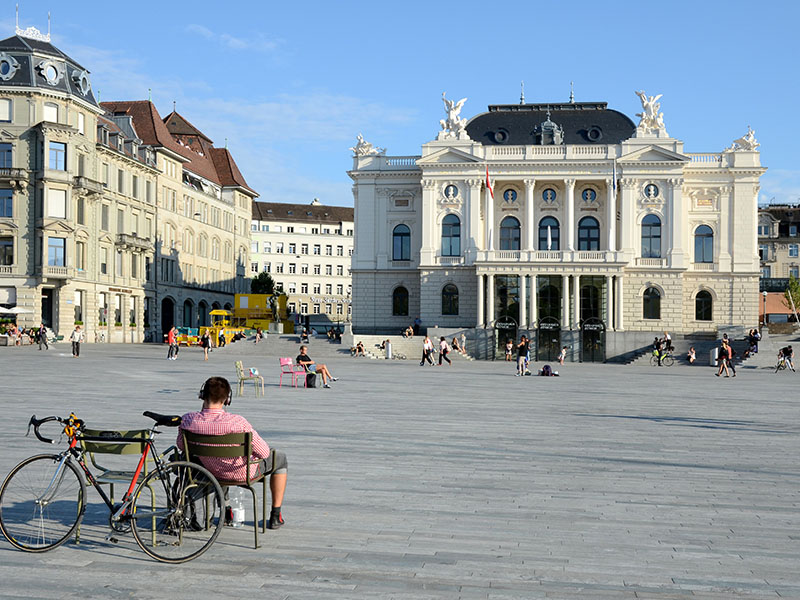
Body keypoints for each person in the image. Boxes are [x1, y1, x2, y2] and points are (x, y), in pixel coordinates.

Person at [177, 376, 288, 530]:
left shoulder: (188, 420)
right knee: (280, 458)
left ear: (202, 395)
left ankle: (226, 507)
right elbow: (263, 453)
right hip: (243, 473)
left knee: (216, 460)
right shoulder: (238, 422)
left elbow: (182, 446)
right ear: (227, 399)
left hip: (211, 471)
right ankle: (276, 515)